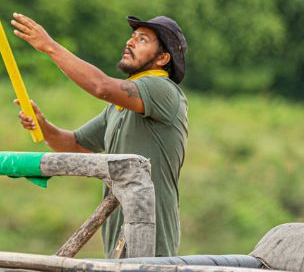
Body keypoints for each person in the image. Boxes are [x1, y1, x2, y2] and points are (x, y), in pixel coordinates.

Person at [11, 13, 188, 258]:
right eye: (133, 36)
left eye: (143, 39)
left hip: (151, 240)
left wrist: (50, 47)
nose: (130, 42)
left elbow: (101, 87)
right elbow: (73, 145)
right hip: (118, 237)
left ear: (163, 58)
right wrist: (44, 125)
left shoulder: (162, 89)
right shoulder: (118, 108)